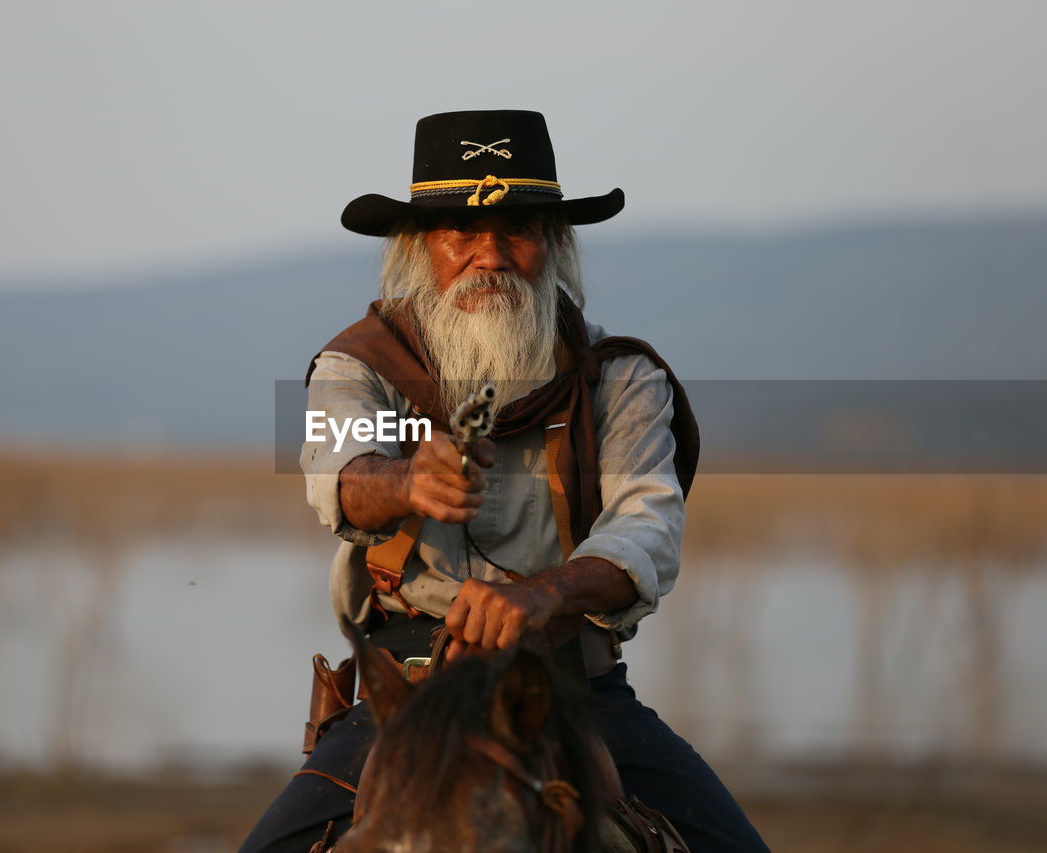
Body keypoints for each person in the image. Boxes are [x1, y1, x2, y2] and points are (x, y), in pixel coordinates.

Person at [240, 110, 769, 853]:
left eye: (517, 228)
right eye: (462, 228)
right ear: (421, 247)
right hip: (408, 694)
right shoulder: (353, 367)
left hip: (573, 690)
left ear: (552, 242)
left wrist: (545, 592)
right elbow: (340, 477)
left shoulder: (623, 379)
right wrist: (405, 482)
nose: (490, 255)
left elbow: (647, 527)